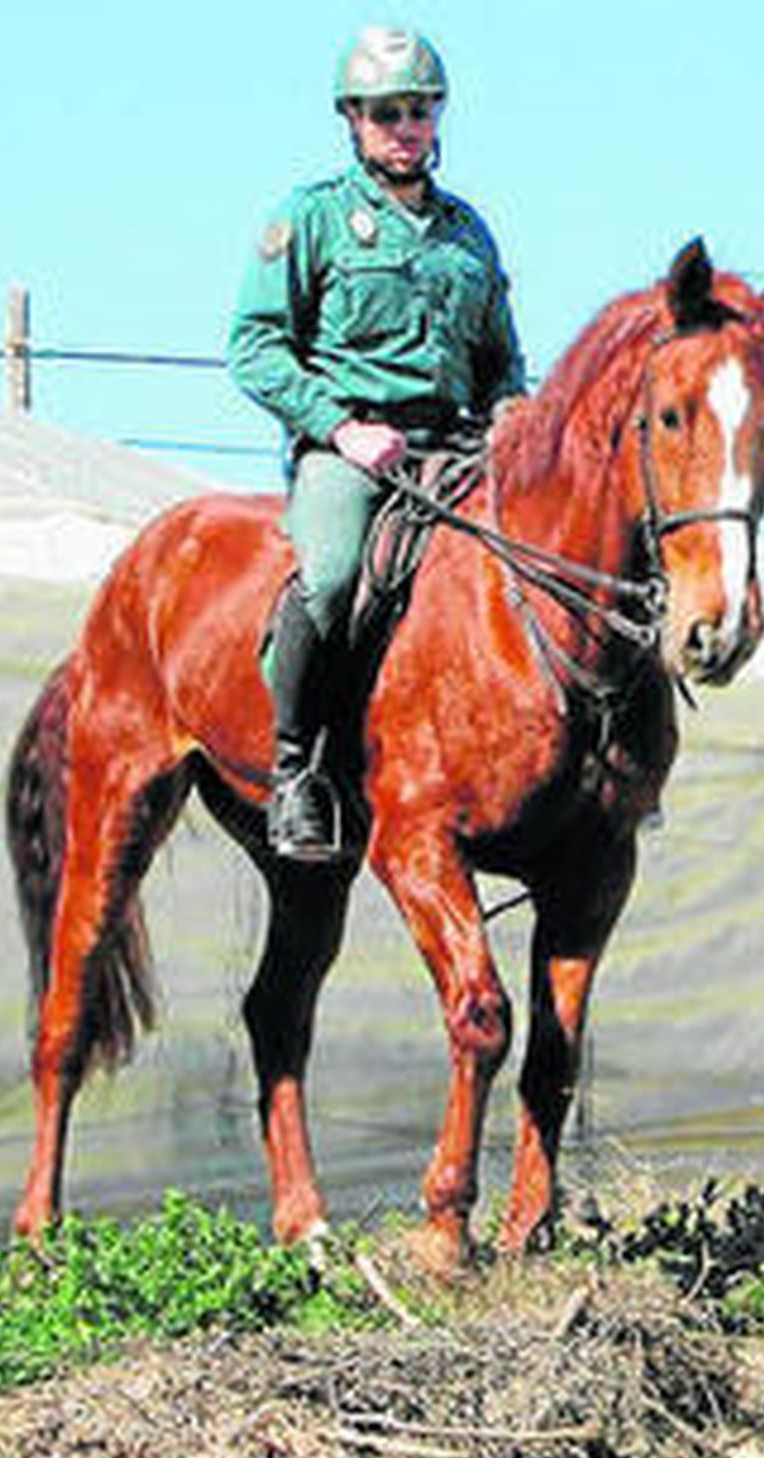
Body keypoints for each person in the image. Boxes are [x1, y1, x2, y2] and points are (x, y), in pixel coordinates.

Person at [229, 24, 526, 861]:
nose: (405, 127)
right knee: (330, 580)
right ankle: (297, 770)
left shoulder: (469, 233)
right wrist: (341, 428)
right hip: (352, 449)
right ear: (354, 122)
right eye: (385, 112)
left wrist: (510, 410)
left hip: (459, 448)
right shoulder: (312, 217)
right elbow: (253, 348)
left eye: (420, 110)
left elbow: (503, 357)